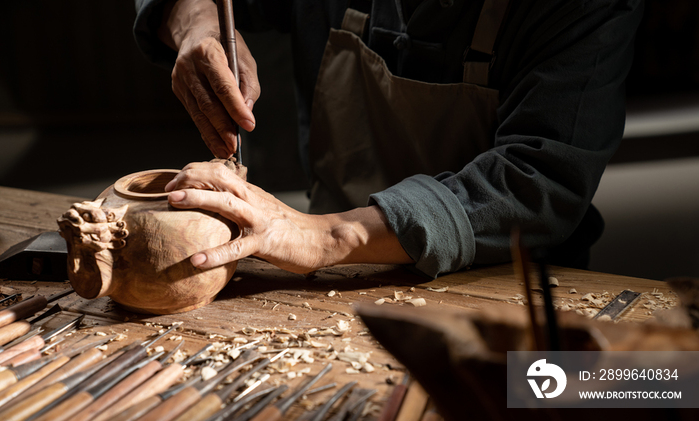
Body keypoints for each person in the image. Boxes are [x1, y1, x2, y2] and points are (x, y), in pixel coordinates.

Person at [133, 0, 643, 278]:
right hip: (328, 282)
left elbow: (540, 180)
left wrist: (330, 236)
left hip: (513, 287)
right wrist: (194, 20)